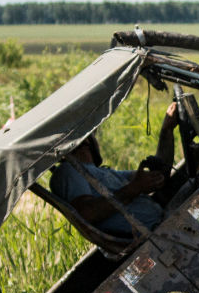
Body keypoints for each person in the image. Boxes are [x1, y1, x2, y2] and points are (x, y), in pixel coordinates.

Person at [51, 102, 181, 237]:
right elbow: (88, 213)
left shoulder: (101, 173)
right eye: (92, 135)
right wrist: (134, 189)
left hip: (163, 221)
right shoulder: (68, 171)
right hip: (156, 234)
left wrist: (167, 129)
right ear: (86, 141)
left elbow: (158, 177)